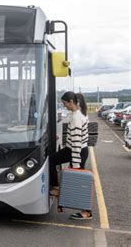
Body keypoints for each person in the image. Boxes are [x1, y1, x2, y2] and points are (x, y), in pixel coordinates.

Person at [49, 91, 91, 220]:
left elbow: (77, 141)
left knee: (78, 180)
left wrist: (76, 165)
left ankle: (87, 212)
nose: (64, 106)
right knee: (51, 161)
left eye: (65, 103)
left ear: (71, 102)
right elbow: (74, 137)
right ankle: (55, 187)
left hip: (77, 151)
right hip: (72, 149)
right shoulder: (76, 113)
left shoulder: (77, 117)